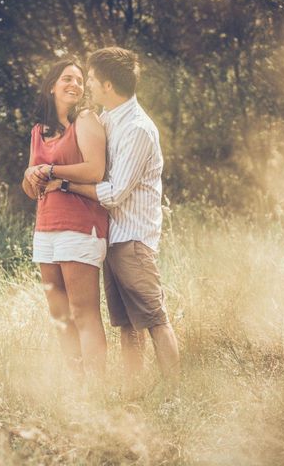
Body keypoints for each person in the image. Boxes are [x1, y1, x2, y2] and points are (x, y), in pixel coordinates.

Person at [39, 47, 180, 388]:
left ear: (106, 85)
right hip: (111, 238)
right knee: (126, 324)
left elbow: (115, 192)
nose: (86, 83)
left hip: (133, 240)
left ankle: (176, 393)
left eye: (89, 78)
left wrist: (66, 183)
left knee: (153, 318)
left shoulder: (137, 129)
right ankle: (134, 391)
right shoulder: (106, 120)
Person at [21, 59, 109, 377]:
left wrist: (51, 171)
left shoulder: (85, 120)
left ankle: (97, 392)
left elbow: (95, 171)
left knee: (83, 312)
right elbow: (32, 189)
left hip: (80, 228)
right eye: (67, 78)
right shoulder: (37, 132)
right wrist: (31, 174)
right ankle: (76, 387)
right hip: (45, 230)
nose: (75, 84)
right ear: (51, 86)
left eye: (80, 80)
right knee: (59, 316)